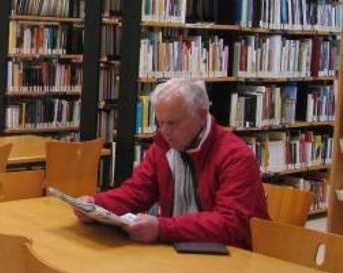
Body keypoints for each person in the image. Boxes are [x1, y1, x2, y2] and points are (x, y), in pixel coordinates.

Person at [76, 78, 268, 248]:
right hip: (176, 250)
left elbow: (230, 224)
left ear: (201, 116)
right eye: (160, 123)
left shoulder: (235, 156)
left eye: (172, 123)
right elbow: (136, 193)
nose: (164, 131)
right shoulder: (163, 148)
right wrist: (96, 205)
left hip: (231, 258)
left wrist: (163, 228)